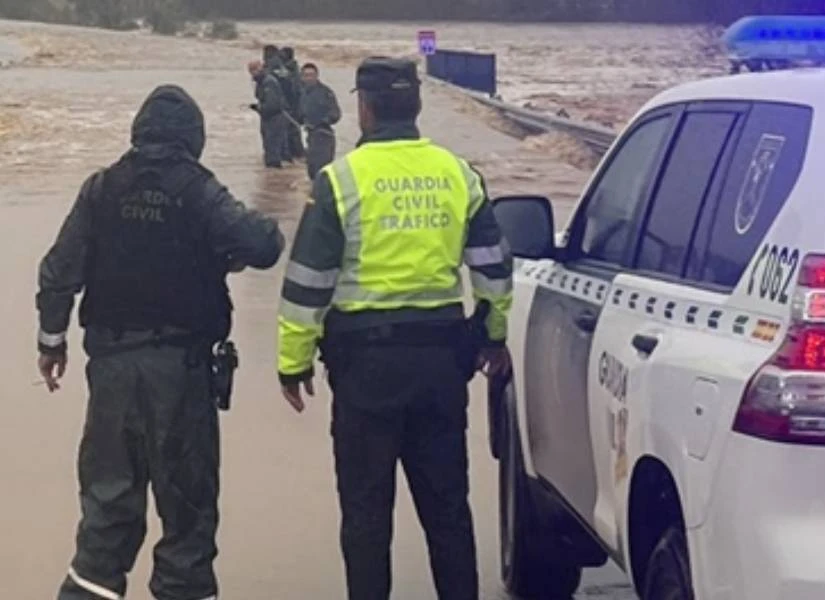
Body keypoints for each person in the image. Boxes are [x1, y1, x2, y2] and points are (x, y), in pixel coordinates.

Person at [276, 57, 513, 600]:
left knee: (365, 516)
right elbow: (495, 269)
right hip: (442, 369)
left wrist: (293, 362)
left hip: (366, 372)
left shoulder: (339, 181)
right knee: (449, 510)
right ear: (418, 105)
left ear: (363, 108)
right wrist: (493, 336)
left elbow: (308, 284)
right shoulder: (460, 173)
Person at [37, 85, 285, 600]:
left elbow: (59, 272)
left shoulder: (100, 188)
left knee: (105, 515)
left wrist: (52, 341)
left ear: (138, 132)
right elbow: (262, 244)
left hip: (110, 373)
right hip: (182, 374)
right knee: (188, 519)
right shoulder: (199, 191)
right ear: (193, 138)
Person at [299, 62, 341, 180]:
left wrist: (323, 121)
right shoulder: (301, 93)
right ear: (302, 77)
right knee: (311, 170)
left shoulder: (326, 92)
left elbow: (336, 114)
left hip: (324, 137)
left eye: (311, 75)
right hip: (310, 137)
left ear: (317, 76)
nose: (309, 78)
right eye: (306, 75)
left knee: (322, 171)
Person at [249, 59, 285, 168]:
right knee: (268, 147)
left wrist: (259, 108)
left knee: (272, 149)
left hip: (274, 119)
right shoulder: (261, 82)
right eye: (251, 71)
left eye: (254, 70)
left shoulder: (269, 82)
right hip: (267, 119)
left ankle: (275, 175)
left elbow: (272, 105)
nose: (252, 73)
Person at [280, 46, 307, 161]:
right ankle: (296, 153)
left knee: (292, 131)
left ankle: (297, 154)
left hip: (293, 105)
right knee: (292, 131)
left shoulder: (290, 70)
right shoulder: (293, 68)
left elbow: (294, 89)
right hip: (294, 104)